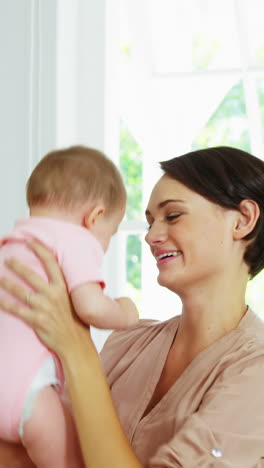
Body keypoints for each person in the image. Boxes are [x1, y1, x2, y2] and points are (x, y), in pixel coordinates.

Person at [0, 145, 264, 467]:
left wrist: (75, 346)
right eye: (150, 222)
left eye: (173, 216)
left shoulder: (255, 372)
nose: (151, 236)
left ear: (243, 220)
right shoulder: (129, 342)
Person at [0, 145, 138, 467]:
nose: (104, 244)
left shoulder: (10, 245)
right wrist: (125, 311)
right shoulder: (76, 239)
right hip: (30, 395)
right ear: (95, 217)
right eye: (111, 234)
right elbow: (91, 307)